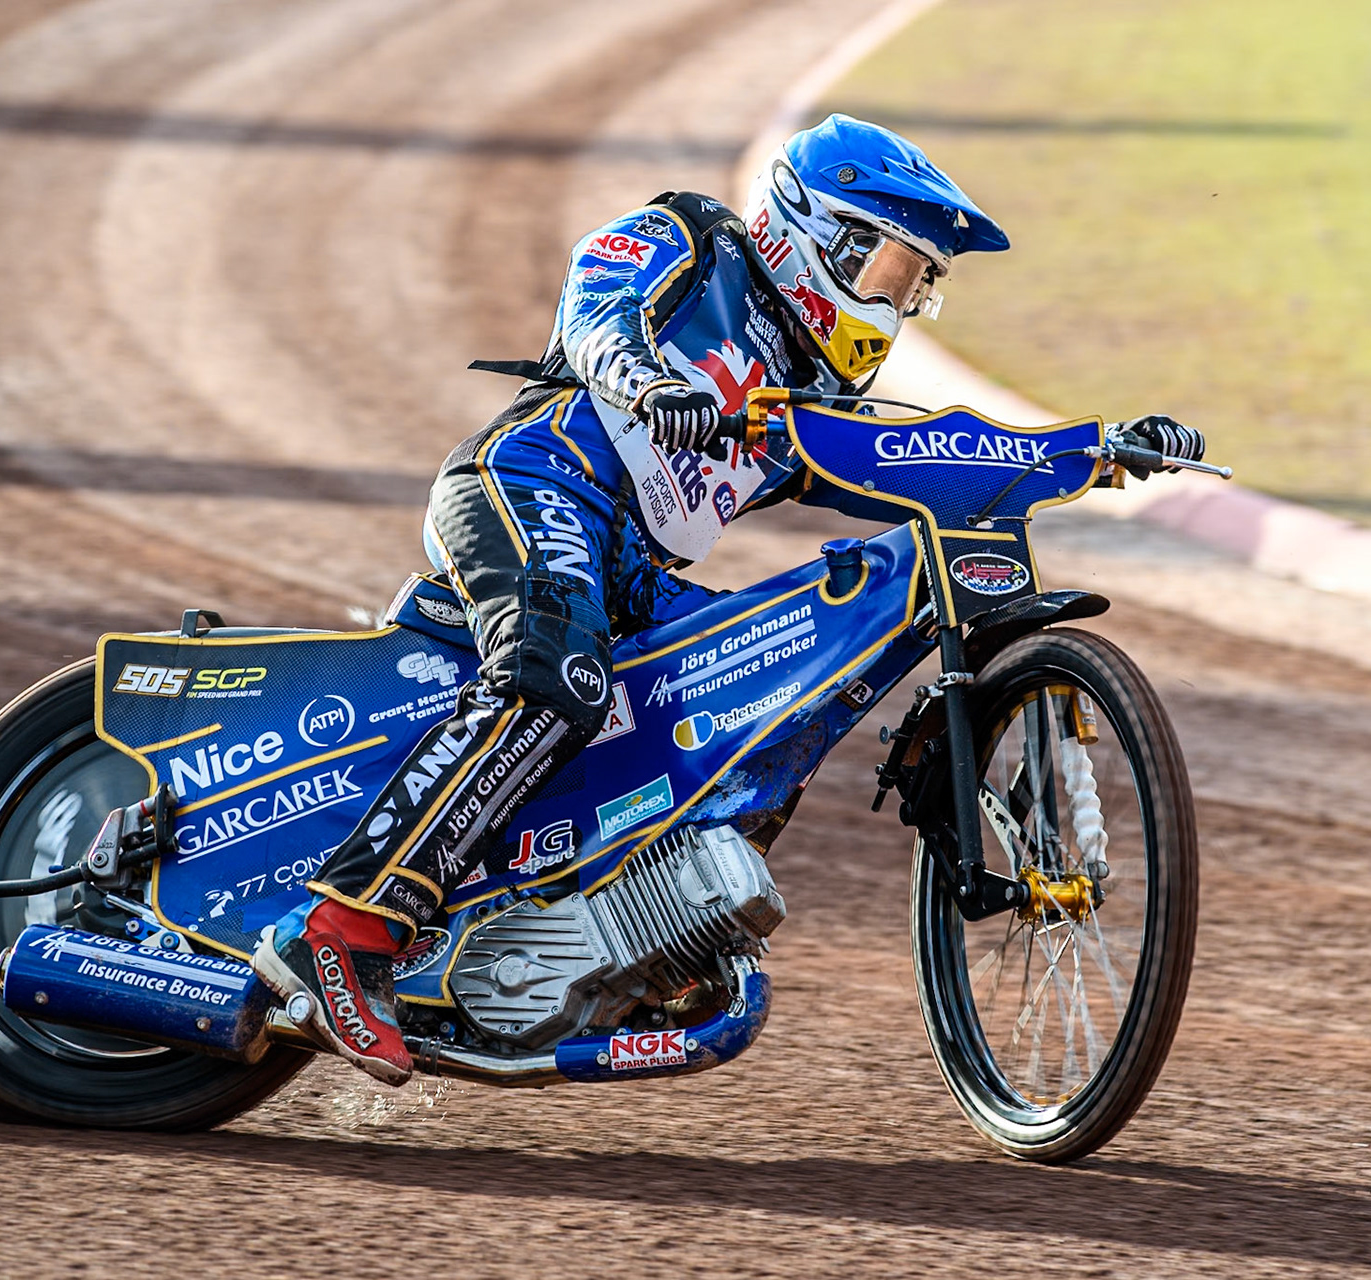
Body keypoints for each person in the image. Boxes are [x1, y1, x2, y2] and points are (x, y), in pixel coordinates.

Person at [250, 114, 1204, 1084]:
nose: (897, 305)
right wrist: (646, 377)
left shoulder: (803, 398)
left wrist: (1093, 448)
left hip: (633, 572)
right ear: (813, 233)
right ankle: (338, 927)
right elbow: (597, 299)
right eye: (889, 271)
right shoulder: (695, 242)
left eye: (918, 288)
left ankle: (626, 927)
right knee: (559, 681)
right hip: (535, 484)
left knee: (756, 701)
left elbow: (927, 457)